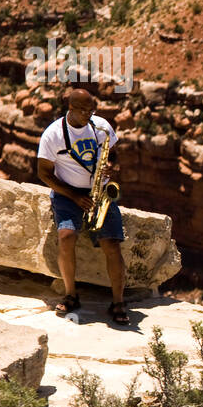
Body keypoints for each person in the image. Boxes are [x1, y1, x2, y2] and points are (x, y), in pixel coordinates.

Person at [35, 88, 129, 325]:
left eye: (92, 109)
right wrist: (74, 196)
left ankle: (118, 302)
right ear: (71, 108)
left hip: (99, 194)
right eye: (84, 110)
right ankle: (71, 294)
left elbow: (114, 156)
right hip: (68, 194)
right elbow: (43, 173)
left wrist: (111, 167)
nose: (89, 115)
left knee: (112, 244)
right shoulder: (53, 134)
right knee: (66, 236)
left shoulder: (101, 127)